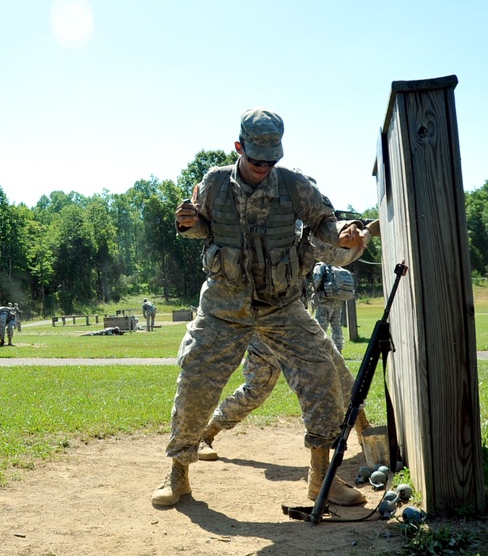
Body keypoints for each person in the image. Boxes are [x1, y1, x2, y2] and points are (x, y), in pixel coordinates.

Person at [151, 108, 367, 509]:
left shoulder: (294, 185)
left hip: (281, 304)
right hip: (224, 305)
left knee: (323, 375)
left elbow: (323, 221)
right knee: (195, 379)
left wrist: (342, 232)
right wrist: (186, 222)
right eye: (256, 161)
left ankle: (323, 479)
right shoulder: (215, 182)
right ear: (239, 148)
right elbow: (201, 227)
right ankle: (178, 474)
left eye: (272, 161)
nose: (265, 168)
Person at [197, 229, 375, 462]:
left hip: (295, 321)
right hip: (262, 326)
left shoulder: (299, 230)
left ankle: (363, 429)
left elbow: (335, 251)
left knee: (335, 366)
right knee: (256, 390)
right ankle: (206, 433)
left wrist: (363, 234)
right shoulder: (249, 231)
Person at [312, 262, 351, 352]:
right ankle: (338, 351)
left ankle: (319, 351)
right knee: (337, 328)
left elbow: (316, 281)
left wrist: (313, 291)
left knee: (321, 328)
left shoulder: (320, 266)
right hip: (337, 301)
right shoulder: (336, 265)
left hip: (324, 302)